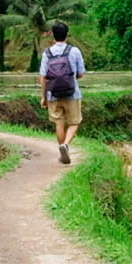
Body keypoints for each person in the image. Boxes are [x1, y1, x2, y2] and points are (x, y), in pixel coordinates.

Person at [39, 22, 85, 164]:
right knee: (74, 122)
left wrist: (43, 97)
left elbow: (43, 77)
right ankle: (65, 145)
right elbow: (80, 73)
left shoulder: (47, 53)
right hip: (72, 93)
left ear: (53, 35)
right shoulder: (74, 51)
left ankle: (62, 150)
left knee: (59, 123)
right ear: (67, 35)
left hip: (53, 94)